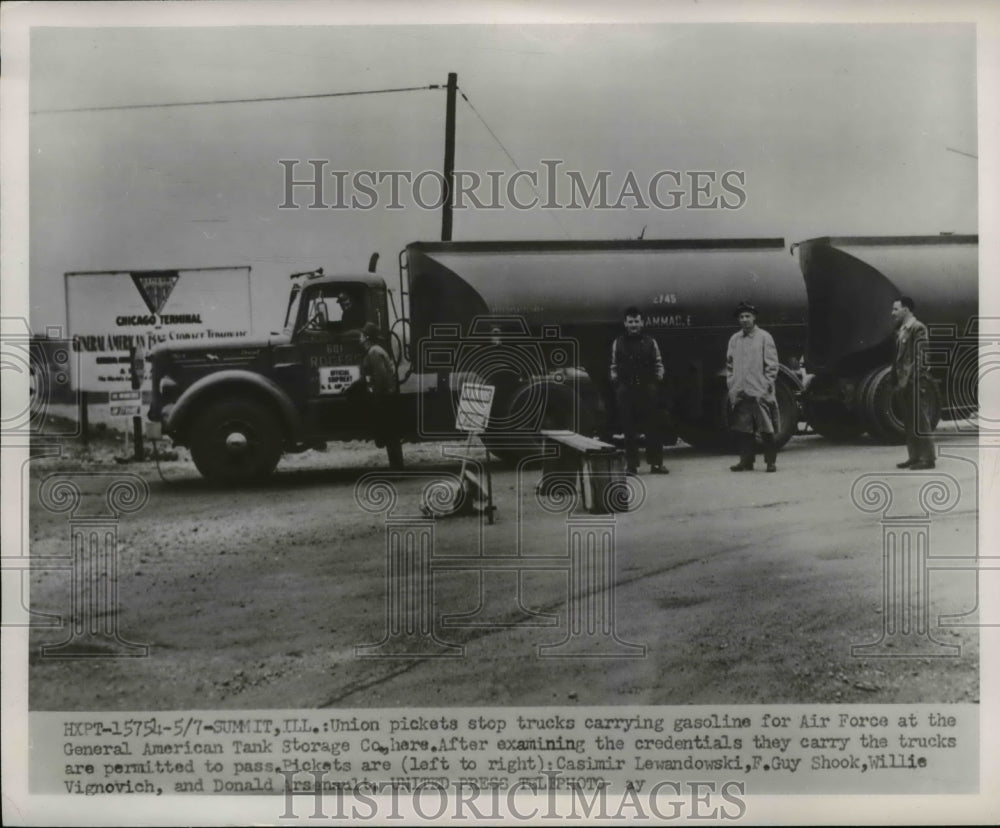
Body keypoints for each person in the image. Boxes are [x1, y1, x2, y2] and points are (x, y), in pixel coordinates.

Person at [611, 306, 668, 475]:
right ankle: (631, 465)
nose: (633, 325)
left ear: (642, 323)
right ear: (625, 323)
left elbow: (659, 364)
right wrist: (618, 384)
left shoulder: (651, 342)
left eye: (636, 321)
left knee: (653, 427)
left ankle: (656, 464)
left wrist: (656, 382)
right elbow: (613, 365)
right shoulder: (618, 342)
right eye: (630, 322)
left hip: (647, 389)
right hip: (626, 390)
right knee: (629, 429)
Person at [726, 301, 780, 472]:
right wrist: (732, 384)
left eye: (747, 316)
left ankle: (770, 462)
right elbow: (729, 364)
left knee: (766, 428)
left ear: (754, 317)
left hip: (759, 392)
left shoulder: (764, 337)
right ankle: (746, 461)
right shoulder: (734, 339)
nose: (744, 320)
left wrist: (764, 387)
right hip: (741, 392)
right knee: (744, 429)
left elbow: (772, 366)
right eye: (741, 317)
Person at [890, 296, 936, 470]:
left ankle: (927, 458)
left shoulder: (918, 328)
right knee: (910, 421)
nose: (892, 313)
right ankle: (914, 456)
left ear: (906, 310)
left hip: (914, 381)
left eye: (895, 309)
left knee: (920, 421)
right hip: (904, 382)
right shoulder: (903, 329)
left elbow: (922, 357)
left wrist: (914, 380)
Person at [358, 322, 403, 470]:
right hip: (388, 396)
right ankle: (397, 467)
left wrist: (376, 396)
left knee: (391, 434)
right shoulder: (375, 350)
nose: (359, 337)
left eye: (362, 334)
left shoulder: (374, 352)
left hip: (386, 398)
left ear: (366, 337)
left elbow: (381, 377)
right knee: (391, 434)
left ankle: (397, 468)